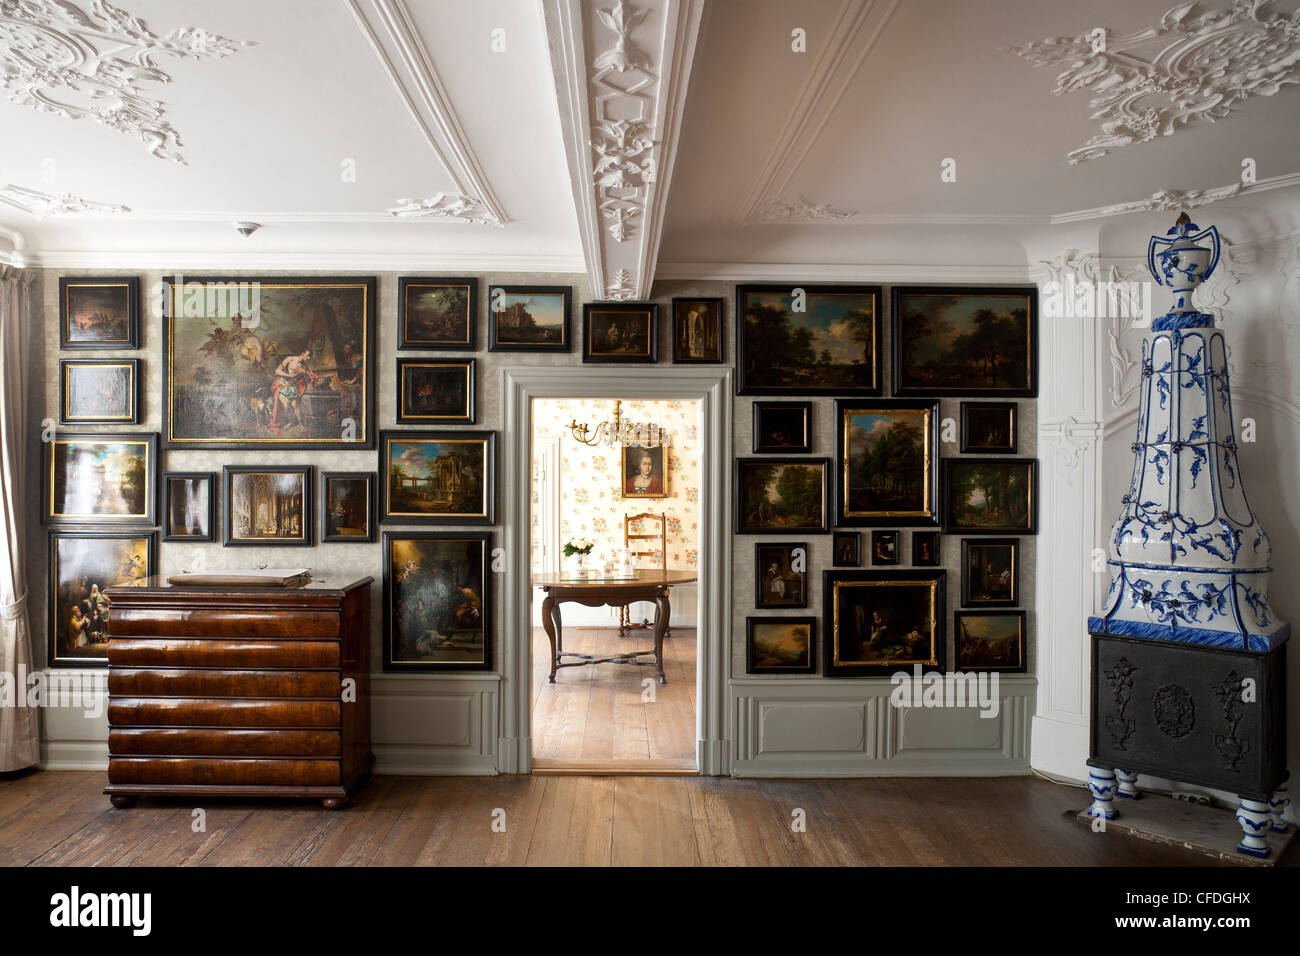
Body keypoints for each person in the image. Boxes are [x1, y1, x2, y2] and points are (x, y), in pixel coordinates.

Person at [267, 348, 319, 433]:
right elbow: (277, 371)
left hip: (292, 387)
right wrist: (289, 376)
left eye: (310, 356)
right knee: (286, 406)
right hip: (282, 385)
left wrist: (304, 372)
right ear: (302, 353)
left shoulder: (304, 366)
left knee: (295, 406)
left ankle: (301, 425)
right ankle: (291, 422)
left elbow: (310, 379)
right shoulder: (290, 359)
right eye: (308, 355)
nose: (309, 358)